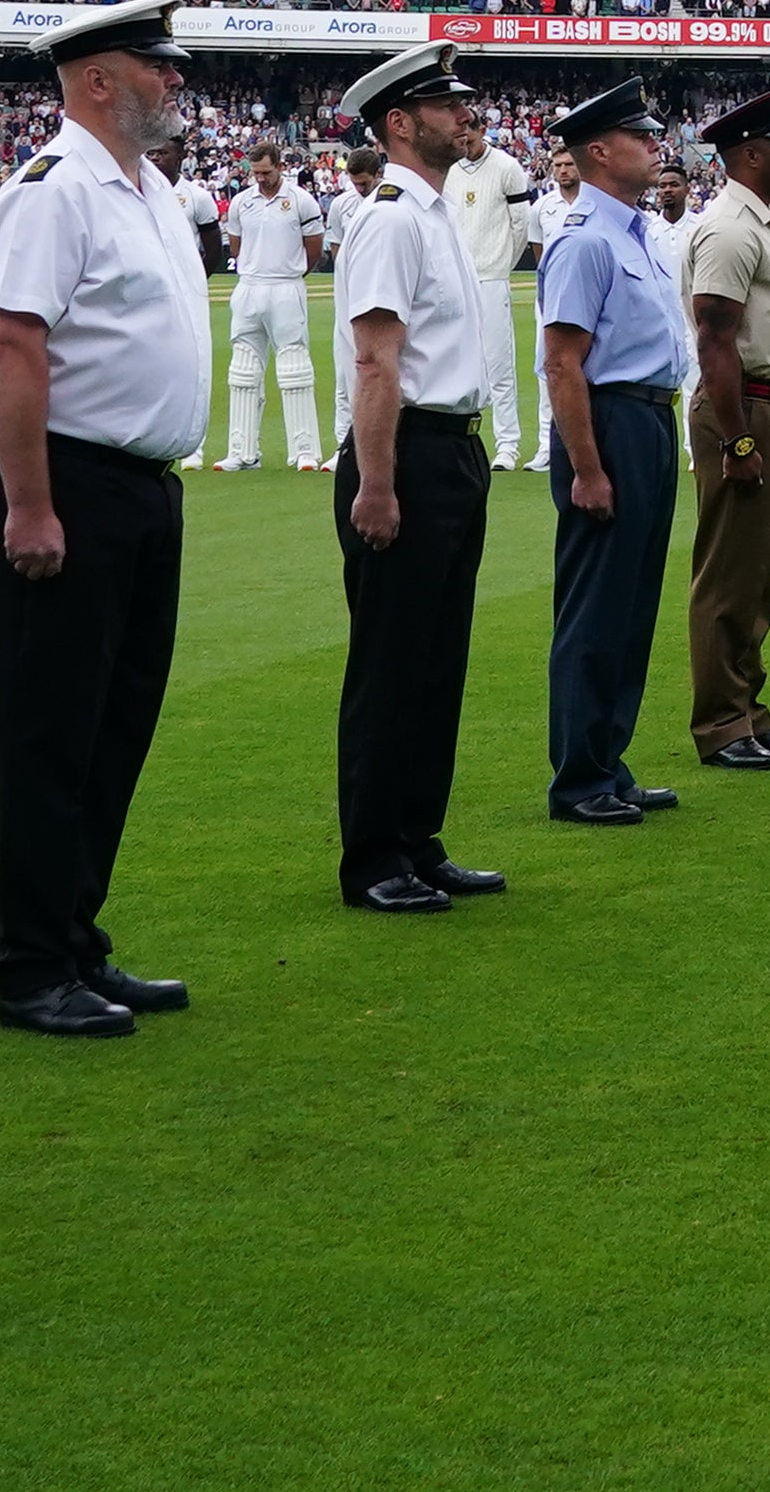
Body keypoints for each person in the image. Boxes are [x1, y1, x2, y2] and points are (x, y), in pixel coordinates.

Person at [0, 0, 215, 1036]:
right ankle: (28, 964)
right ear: (99, 79)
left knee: (114, 728)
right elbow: (11, 347)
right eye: (158, 65)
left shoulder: (148, 188)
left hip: (141, 487)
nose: (177, 79)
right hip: (61, 482)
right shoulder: (53, 190)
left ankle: (75, 938)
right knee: (48, 732)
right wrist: (29, 504)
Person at [327, 45, 511, 912]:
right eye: (445, 102)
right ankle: (372, 855)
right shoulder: (394, 215)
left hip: (450, 449)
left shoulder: (432, 212)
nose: (463, 112)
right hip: (404, 453)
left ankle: (417, 837)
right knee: (392, 663)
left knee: (438, 662)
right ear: (399, 122)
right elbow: (376, 358)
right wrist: (376, 481)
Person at [534, 74, 699, 829]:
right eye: (639, 137)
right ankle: (577, 777)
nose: (654, 146)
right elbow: (563, 362)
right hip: (607, 422)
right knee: (596, 606)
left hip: (650, 420)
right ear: (599, 151)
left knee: (631, 606)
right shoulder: (583, 240)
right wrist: (590, 467)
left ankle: (609, 759)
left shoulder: (635, 233)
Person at [670, 86, 770, 770]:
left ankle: (749, 709)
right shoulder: (730, 227)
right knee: (730, 574)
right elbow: (715, 339)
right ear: (751, 153)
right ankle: (723, 722)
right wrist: (738, 441)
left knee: (760, 572)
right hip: (746, 406)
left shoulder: (763, 223)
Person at [442, 118, 545, 476]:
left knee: (498, 365)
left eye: (470, 131)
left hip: (491, 277)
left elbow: (520, 226)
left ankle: (508, 445)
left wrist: (501, 264)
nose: (464, 137)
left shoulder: (507, 167)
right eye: (460, 131)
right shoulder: (450, 169)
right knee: (454, 363)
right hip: (456, 278)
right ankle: (458, 440)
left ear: (481, 131)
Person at [213, 150, 322, 473]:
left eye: (266, 172)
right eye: (256, 173)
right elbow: (236, 246)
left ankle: (304, 451)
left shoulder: (301, 201)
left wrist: (290, 272)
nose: (260, 179)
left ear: (280, 167)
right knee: (243, 370)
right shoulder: (241, 202)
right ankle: (242, 452)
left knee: (294, 368)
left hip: (287, 286)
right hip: (248, 286)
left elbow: (313, 248)